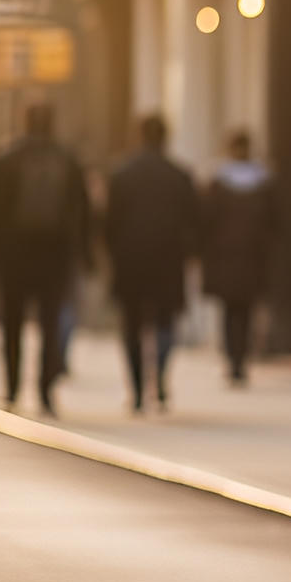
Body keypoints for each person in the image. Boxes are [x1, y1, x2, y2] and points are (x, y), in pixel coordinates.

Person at [0, 102, 90, 415]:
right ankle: (45, 389)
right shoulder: (67, 160)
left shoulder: (7, 159)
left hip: (14, 256)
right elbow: (80, 212)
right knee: (50, 323)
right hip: (54, 256)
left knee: (12, 322)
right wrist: (82, 254)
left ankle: (11, 386)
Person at [106, 114, 199, 413]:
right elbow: (194, 221)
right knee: (165, 321)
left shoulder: (122, 174)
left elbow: (109, 222)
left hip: (130, 258)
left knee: (132, 325)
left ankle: (135, 389)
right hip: (168, 259)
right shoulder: (180, 175)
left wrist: (112, 253)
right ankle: (158, 377)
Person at [200, 129, 278, 385]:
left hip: (226, 258)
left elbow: (206, 222)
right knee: (244, 310)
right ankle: (239, 360)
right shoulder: (263, 182)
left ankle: (234, 359)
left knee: (232, 309)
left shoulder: (218, 183)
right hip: (251, 257)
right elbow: (275, 223)